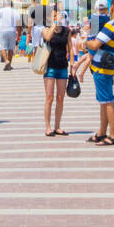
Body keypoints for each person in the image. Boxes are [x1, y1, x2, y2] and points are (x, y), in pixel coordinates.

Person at [83, 0, 114, 145]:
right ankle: (102, 133)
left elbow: (95, 44)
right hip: (108, 66)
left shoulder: (112, 25)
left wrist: (84, 43)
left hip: (103, 67)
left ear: (112, 9)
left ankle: (113, 135)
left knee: (108, 101)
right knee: (103, 101)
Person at [41, 8, 72, 136]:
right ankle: (48, 127)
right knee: (49, 97)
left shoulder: (67, 31)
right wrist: (54, 23)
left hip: (62, 67)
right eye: (54, 16)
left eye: (58, 16)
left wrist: (73, 65)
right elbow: (48, 37)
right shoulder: (46, 29)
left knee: (60, 98)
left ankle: (57, 126)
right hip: (49, 66)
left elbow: (70, 48)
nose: (57, 18)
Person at [0, 0, 19, 70]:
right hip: (12, 30)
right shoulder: (15, 11)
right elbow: (18, 23)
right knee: (11, 48)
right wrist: (19, 34)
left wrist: (0, 20)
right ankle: (9, 65)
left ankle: (6, 62)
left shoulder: (1, 10)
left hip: (3, 30)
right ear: (11, 4)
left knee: (2, 47)